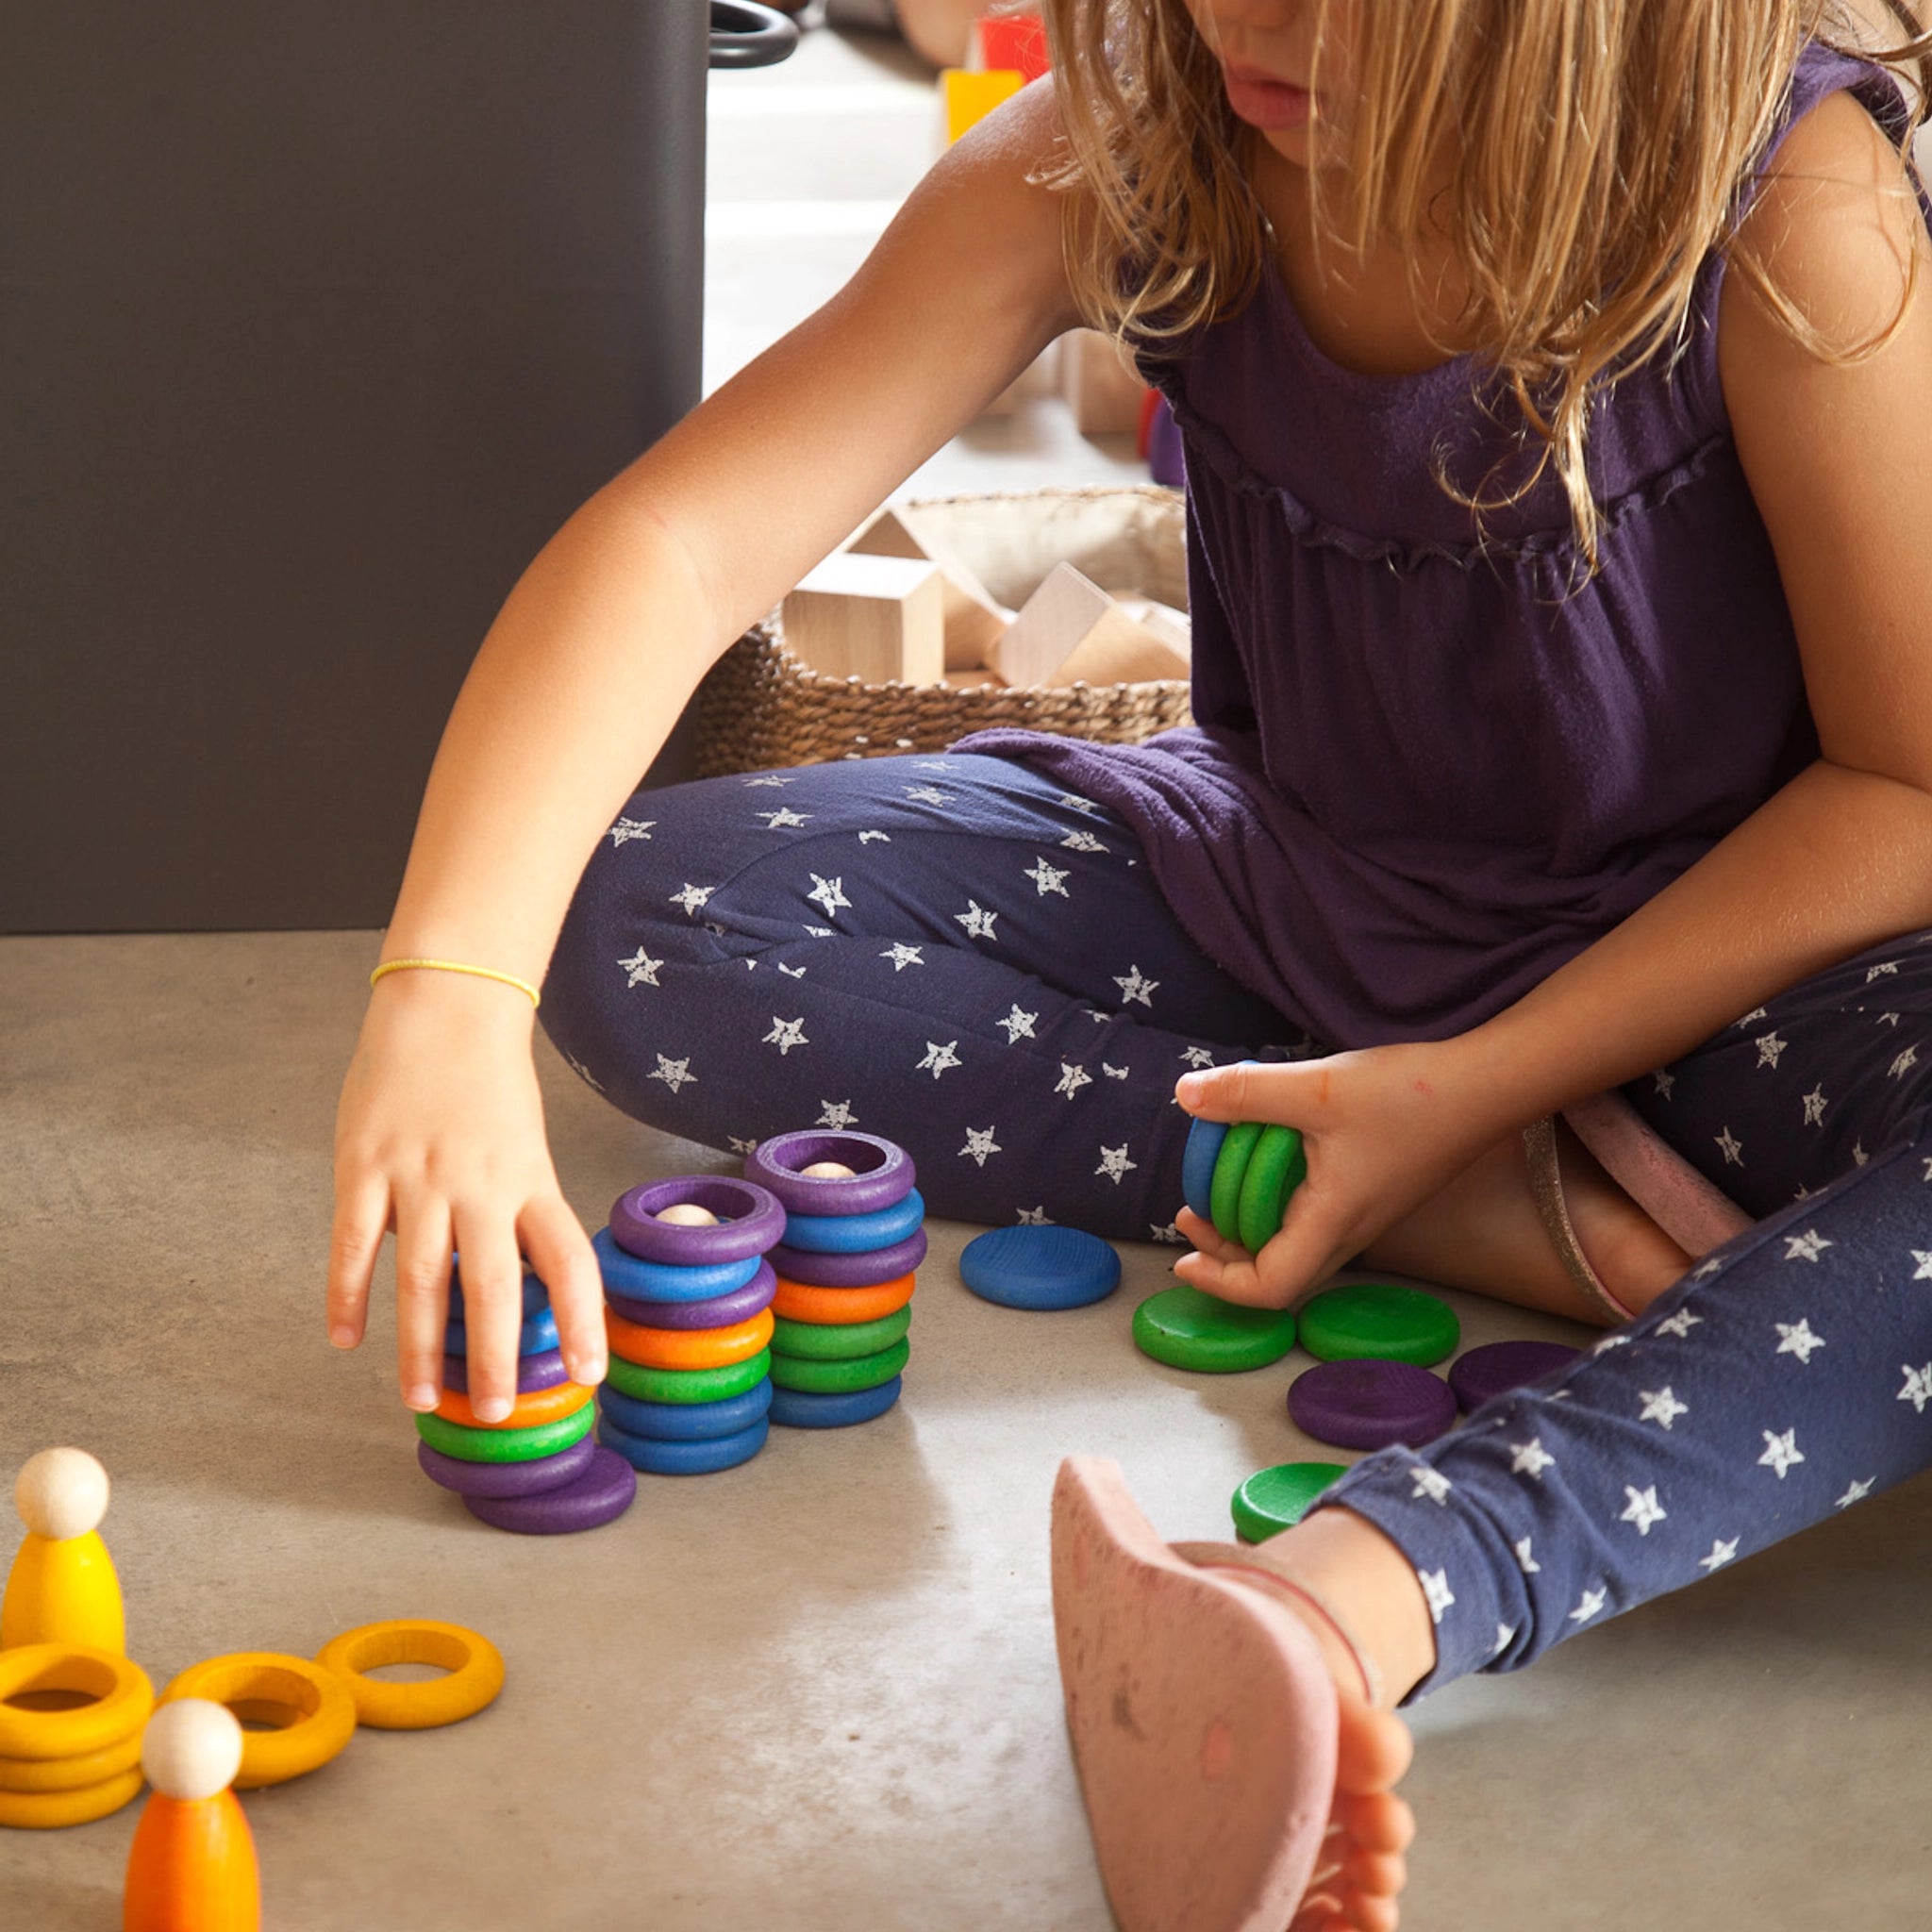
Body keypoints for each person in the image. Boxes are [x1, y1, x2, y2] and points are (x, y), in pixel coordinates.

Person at [327, 2, 1932, 1924]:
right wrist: (446, 996)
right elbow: (679, 546)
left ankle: (1368, 1586)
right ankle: (1411, 1192)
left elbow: (1900, 780)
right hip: (1293, 913)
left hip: (1736, 982)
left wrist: (1483, 1074)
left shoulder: (1783, 195)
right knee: (650, 914)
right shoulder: (1130, 151)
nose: (1257, 17)